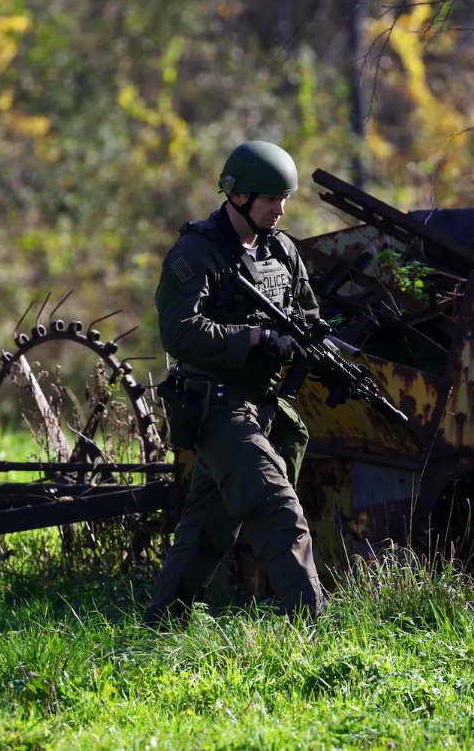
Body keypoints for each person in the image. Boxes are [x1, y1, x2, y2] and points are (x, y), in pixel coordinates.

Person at [143, 140, 326, 626]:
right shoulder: (194, 252)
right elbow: (179, 332)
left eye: (285, 199)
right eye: (270, 200)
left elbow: (307, 313)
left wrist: (307, 342)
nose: (280, 210)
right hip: (217, 406)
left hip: (263, 406)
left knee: (206, 529)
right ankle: (317, 630)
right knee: (277, 508)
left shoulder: (281, 250)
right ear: (237, 196)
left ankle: (163, 623)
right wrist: (253, 337)